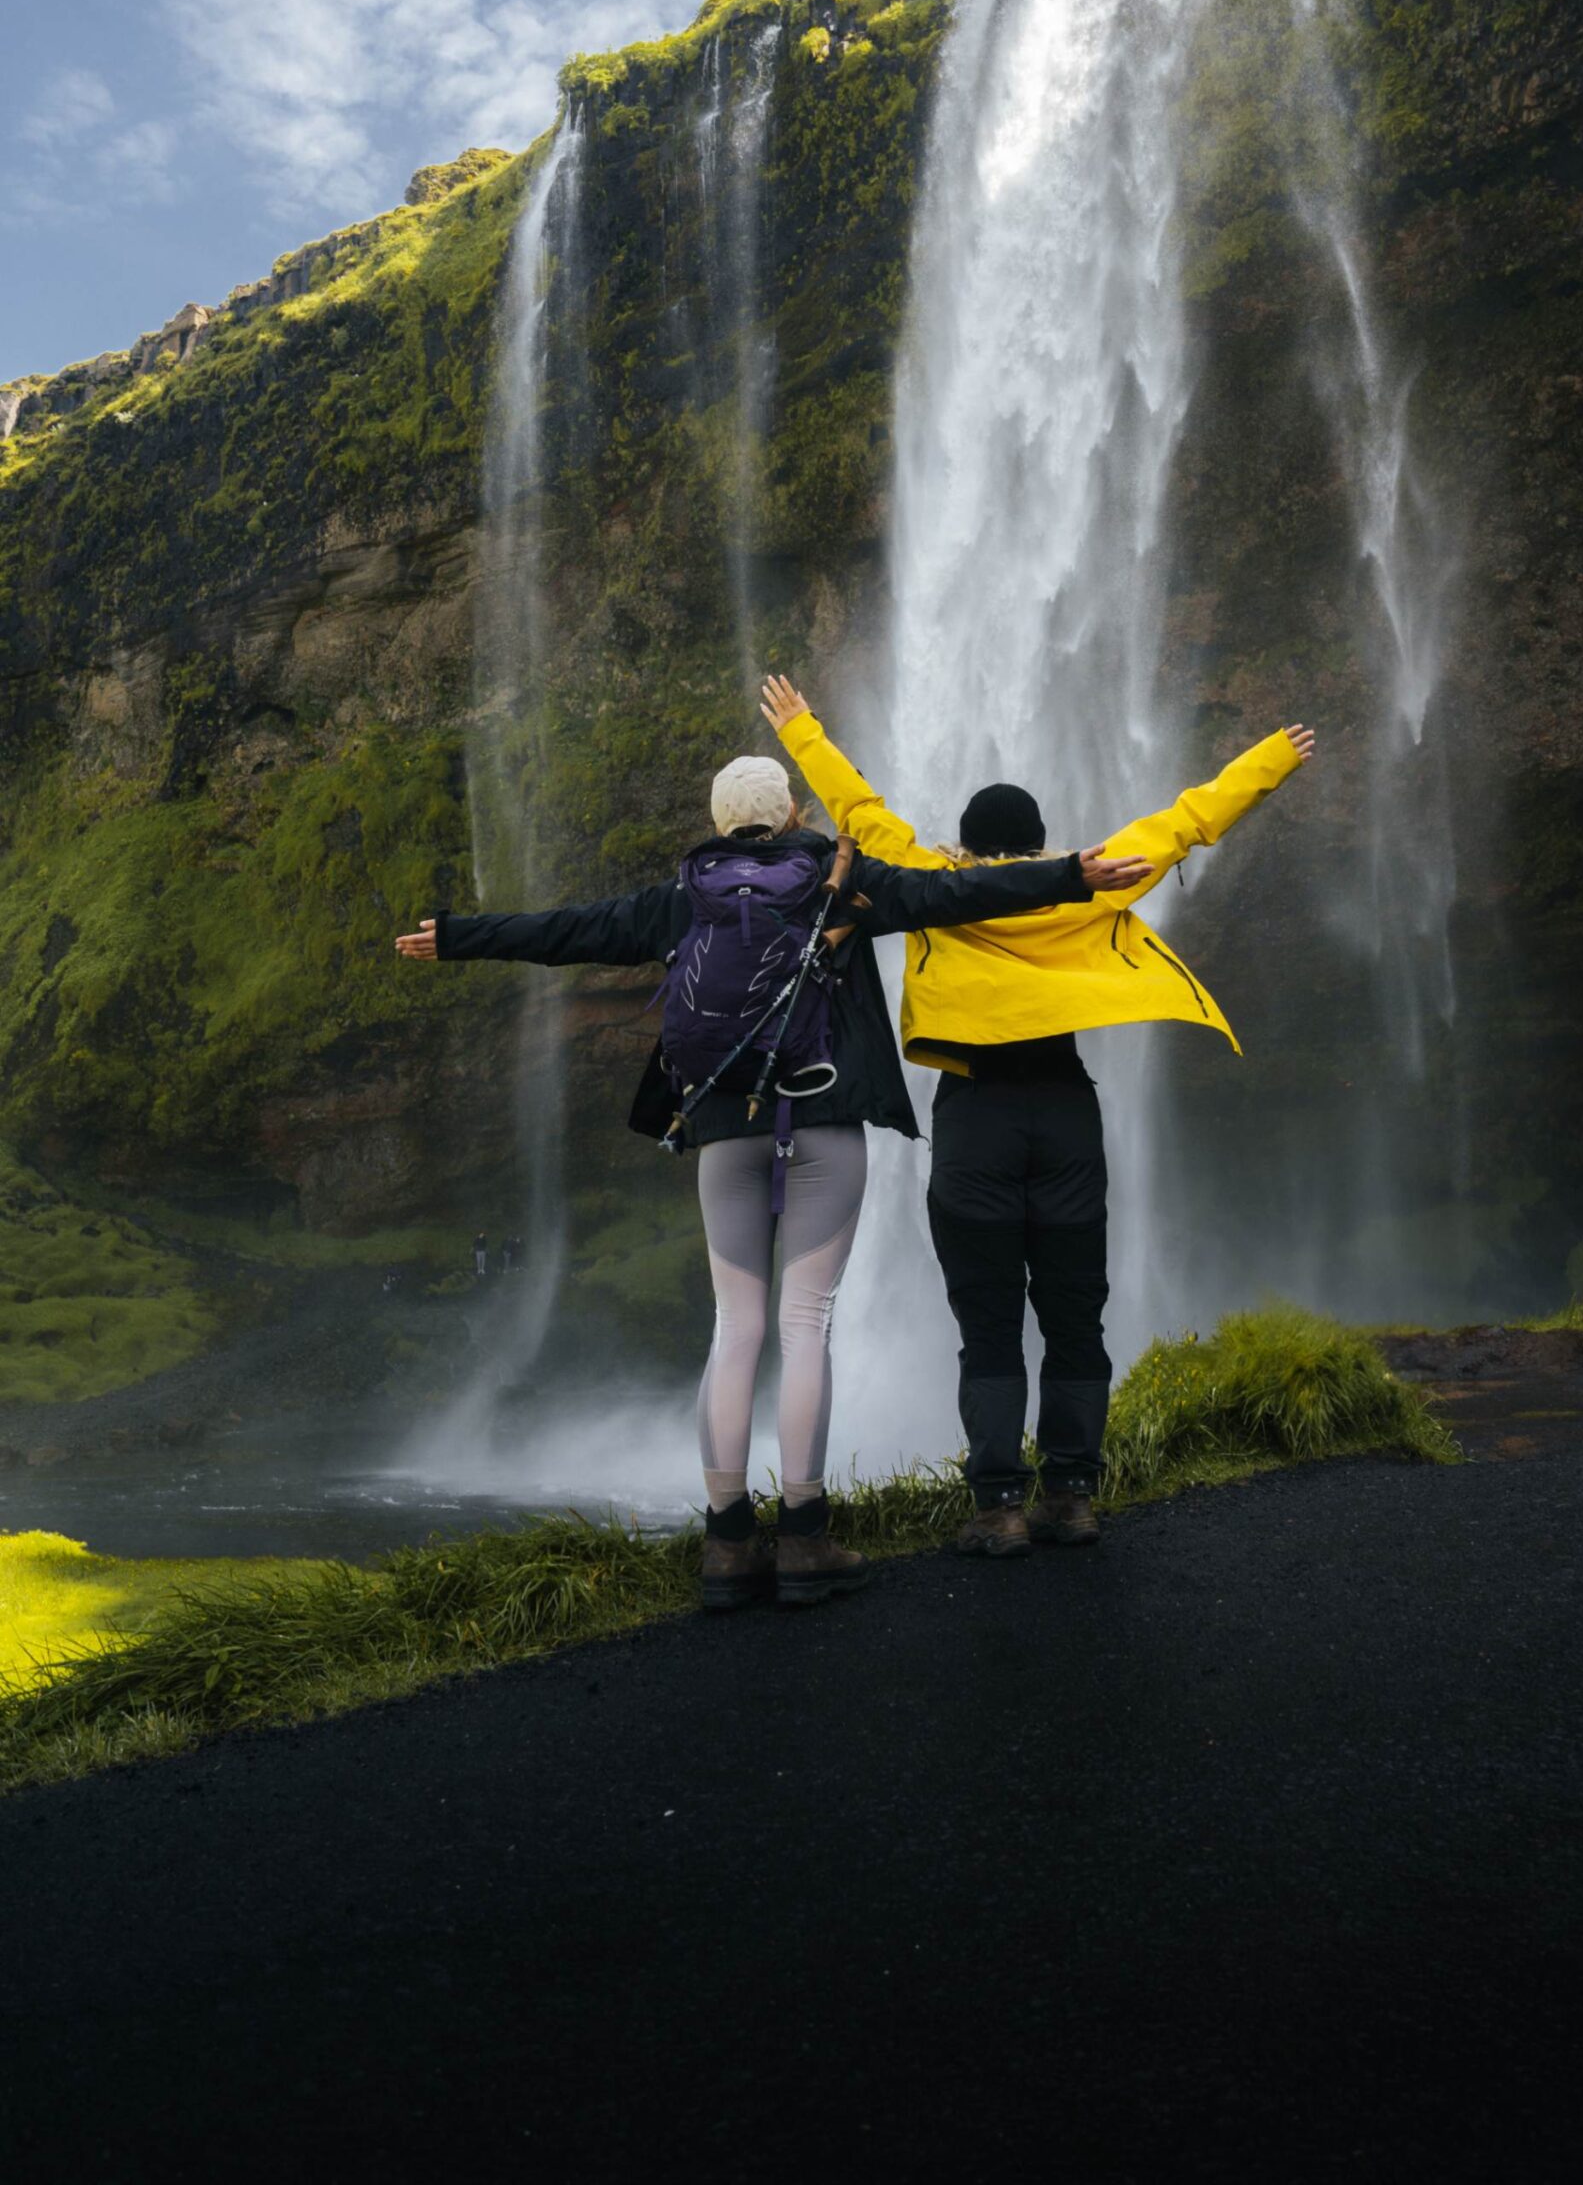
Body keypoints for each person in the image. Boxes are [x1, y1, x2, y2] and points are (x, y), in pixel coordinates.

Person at [396, 751, 1150, 1610]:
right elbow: (958, 894)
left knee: (736, 1327)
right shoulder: (843, 881)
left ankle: (727, 1542)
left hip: (724, 1130)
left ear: (720, 824)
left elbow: (564, 933)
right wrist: (1070, 875)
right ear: (792, 813)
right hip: (823, 1121)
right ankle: (804, 1536)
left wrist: (456, 936)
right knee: (806, 1322)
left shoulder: (681, 898)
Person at [761, 673, 1314, 1560]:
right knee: (1074, 1317)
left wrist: (802, 732)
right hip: (1064, 1116)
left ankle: (997, 1508)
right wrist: (1272, 757)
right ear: (1040, 842)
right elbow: (1187, 821)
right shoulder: (1087, 882)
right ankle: (1073, 1496)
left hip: (975, 1116)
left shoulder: (936, 884)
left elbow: (860, 813)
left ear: (967, 842)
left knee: (988, 1323)